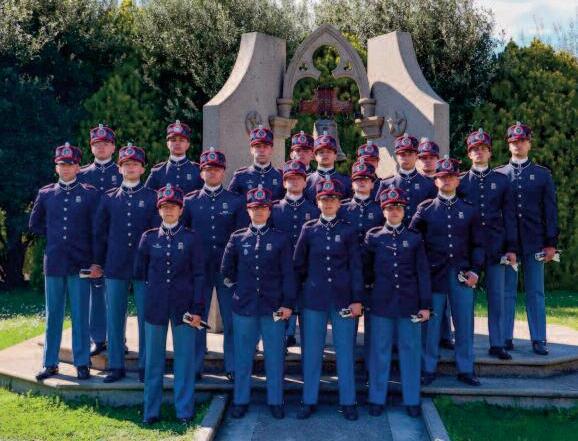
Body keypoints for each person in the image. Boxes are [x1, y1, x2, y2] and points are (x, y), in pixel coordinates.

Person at [221, 186, 296, 419]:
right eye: (255, 208)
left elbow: (288, 274)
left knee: (275, 356)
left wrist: (287, 304)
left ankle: (275, 400)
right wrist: (241, 289)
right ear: (248, 210)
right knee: (243, 356)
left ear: (270, 210)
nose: (259, 212)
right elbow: (227, 270)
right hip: (244, 307)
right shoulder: (237, 238)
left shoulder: (280, 239)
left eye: (263, 208)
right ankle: (241, 400)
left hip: (273, 307)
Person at [410, 156, 484, 387]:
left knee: (464, 323)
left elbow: (478, 244)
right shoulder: (425, 209)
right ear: (436, 181)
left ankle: (466, 368)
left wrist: (475, 271)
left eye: (451, 176)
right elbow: (413, 242)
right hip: (434, 275)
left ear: (458, 180)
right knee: (430, 325)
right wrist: (420, 272)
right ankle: (428, 367)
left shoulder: (469, 210)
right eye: (442, 177)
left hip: (462, 275)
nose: (447, 180)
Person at [29, 143, 101, 381]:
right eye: (62, 164)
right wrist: (56, 237)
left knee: (80, 315)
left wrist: (95, 261)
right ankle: (50, 363)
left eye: (70, 164)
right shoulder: (46, 194)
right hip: (55, 263)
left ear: (78, 167)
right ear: (56, 167)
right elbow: (35, 224)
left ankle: (82, 362)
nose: (66, 168)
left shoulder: (89, 194)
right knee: (53, 315)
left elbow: (96, 230)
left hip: (81, 264)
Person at [135, 184, 205, 425]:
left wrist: (197, 309)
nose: (169, 211)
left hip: (184, 308)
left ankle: (184, 411)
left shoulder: (191, 238)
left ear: (181, 209)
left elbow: (199, 275)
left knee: (184, 361)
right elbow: (141, 272)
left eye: (173, 206)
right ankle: (150, 411)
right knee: (153, 361)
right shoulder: (148, 238)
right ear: (159, 210)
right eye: (164, 207)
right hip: (155, 306)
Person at [294, 178, 363, 421]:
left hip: (343, 299)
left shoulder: (348, 230)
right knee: (312, 352)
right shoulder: (309, 229)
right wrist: (301, 293)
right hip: (314, 299)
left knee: (345, 351)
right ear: (317, 202)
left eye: (333, 199)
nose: (329, 203)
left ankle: (348, 401)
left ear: (339, 203)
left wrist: (357, 299)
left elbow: (356, 267)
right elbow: (299, 265)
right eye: (324, 199)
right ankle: (308, 400)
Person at [93, 144, 160, 383]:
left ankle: (145, 365)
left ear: (143, 168)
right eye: (126, 164)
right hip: (115, 265)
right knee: (114, 317)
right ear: (120, 168)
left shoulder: (152, 197)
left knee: (146, 317)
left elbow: (157, 235)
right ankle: (115, 365)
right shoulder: (109, 198)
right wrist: (97, 262)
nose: (131, 168)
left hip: (144, 267)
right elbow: (99, 234)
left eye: (135, 164)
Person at [364, 187, 431, 418]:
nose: (394, 211)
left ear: (404, 211)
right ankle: (376, 398)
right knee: (379, 352)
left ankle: (411, 399)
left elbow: (422, 272)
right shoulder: (374, 237)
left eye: (398, 208)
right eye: (390, 208)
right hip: (381, 303)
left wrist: (425, 305)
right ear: (383, 211)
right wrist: (366, 297)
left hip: (409, 303)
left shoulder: (414, 238)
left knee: (410, 351)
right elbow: (366, 271)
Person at [182, 147, 247, 382]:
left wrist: (237, 269)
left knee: (231, 319)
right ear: (201, 173)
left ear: (223, 172)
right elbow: (184, 235)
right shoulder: (189, 201)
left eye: (217, 169)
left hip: (226, 269)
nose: (212, 173)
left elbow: (241, 237)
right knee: (197, 317)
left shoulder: (235, 201)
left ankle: (233, 366)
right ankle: (195, 365)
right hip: (198, 270)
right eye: (208, 169)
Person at [495, 121, 559, 356]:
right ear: (508, 144)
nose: (518, 145)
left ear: (529, 144)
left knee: (535, 291)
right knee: (507, 291)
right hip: (507, 244)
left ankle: (539, 339)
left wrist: (551, 243)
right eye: (514, 141)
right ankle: (505, 337)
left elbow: (550, 211)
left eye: (522, 141)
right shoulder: (499, 175)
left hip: (535, 242)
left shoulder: (542, 175)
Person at [458, 129, 517, 360]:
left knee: (497, 297)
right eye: (474, 149)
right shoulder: (461, 181)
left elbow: (509, 216)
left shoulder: (502, 181)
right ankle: (466, 344)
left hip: (495, 246)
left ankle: (498, 343)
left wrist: (511, 247)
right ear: (469, 154)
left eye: (483, 149)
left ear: (490, 152)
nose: (479, 152)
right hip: (468, 248)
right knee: (466, 300)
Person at [77, 124, 122, 356]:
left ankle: (118, 337)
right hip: (90, 241)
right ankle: (98, 338)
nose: (101, 147)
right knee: (95, 289)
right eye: (97, 144)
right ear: (91, 147)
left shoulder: (123, 171)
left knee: (116, 292)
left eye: (106, 144)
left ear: (113, 147)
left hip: (117, 240)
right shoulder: (82, 174)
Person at [339, 160, 384, 372]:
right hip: (347, 276)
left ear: (373, 183)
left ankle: (371, 373)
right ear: (352, 183)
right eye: (358, 179)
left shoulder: (381, 209)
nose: (362, 182)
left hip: (374, 274)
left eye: (367, 179)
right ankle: (348, 373)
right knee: (347, 330)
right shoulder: (342, 208)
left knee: (375, 331)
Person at [271, 160, 320, 348]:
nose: (294, 181)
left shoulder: (314, 210)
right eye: (290, 178)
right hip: (279, 273)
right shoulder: (273, 210)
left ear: (305, 182)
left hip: (306, 273)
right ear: (284, 183)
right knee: (278, 326)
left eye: (299, 178)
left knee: (309, 324)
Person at [375, 133, 437, 224]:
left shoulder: (428, 184)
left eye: (410, 154)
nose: (406, 158)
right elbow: (379, 215)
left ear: (416, 156)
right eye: (402, 155)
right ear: (397, 157)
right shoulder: (386, 184)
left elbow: (433, 213)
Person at [145, 120, 203, 193]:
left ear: (188, 144)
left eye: (181, 140)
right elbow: (147, 196)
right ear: (167, 144)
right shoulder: (157, 172)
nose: (177, 143)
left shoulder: (197, 171)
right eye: (173, 140)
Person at [228, 125, 284, 200]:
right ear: (251, 150)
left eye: (265, 146)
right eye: (258, 146)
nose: (262, 150)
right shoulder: (240, 176)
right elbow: (230, 202)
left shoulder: (281, 176)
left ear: (271, 150)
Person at [304, 132, 352, 201]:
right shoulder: (307, 181)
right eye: (321, 152)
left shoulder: (346, 181)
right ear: (315, 156)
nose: (325, 154)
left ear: (335, 156)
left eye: (329, 152)